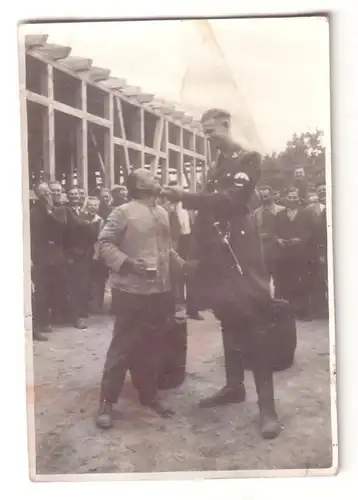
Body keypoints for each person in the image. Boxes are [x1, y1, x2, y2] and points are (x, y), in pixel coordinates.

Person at [162, 108, 281, 439]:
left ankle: (267, 409)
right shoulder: (214, 168)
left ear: (228, 126)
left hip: (242, 257)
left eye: (212, 131)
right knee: (228, 319)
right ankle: (233, 386)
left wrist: (186, 196)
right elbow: (204, 218)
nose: (208, 137)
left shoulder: (248, 159)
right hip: (218, 259)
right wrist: (195, 256)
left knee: (255, 326)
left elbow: (231, 201)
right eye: (205, 132)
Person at [95, 168, 185, 429]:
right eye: (149, 176)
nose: (156, 178)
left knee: (153, 345)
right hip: (131, 292)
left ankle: (149, 394)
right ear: (137, 185)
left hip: (160, 291)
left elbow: (166, 249)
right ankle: (106, 402)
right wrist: (128, 264)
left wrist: (181, 264)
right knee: (122, 347)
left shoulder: (162, 213)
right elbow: (103, 244)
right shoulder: (123, 211)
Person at [274, 187, 311, 320]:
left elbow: (311, 230)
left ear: (298, 198)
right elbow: (275, 231)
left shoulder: (306, 213)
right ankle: (287, 311)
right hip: (284, 253)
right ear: (286, 199)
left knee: (302, 281)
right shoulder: (280, 215)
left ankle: (303, 310)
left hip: (301, 252)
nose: (292, 200)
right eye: (290, 197)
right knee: (285, 281)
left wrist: (300, 239)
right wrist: (278, 240)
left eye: (294, 197)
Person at [253, 185, 284, 296]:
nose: (264, 199)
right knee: (263, 280)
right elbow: (254, 230)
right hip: (263, 251)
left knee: (280, 280)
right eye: (262, 197)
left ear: (271, 195)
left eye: (266, 196)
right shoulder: (256, 213)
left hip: (279, 250)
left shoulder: (281, 210)